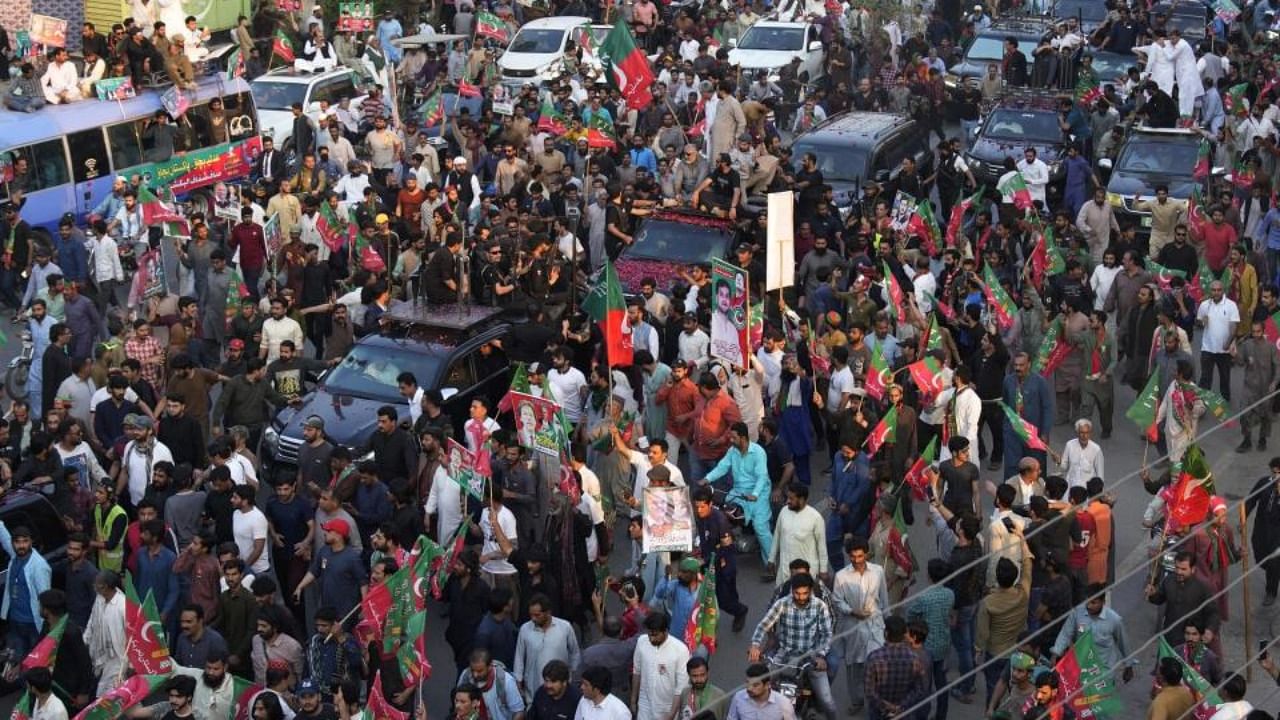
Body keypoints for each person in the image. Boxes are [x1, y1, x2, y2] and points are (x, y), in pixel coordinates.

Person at [748, 574, 835, 720]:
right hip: (784, 654)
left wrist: (820, 655)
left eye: (805, 593)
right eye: (797, 593)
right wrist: (755, 645)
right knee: (758, 688)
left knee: (827, 702)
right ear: (792, 591)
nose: (801, 597)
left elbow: (827, 634)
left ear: (810, 591)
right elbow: (764, 625)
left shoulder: (820, 606)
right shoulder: (782, 603)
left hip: (811, 657)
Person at [831, 535, 887, 716]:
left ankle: (876, 701)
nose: (856, 560)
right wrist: (852, 611)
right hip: (853, 628)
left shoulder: (878, 571)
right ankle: (856, 700)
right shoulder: (841, 576)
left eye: (860, 556)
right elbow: (837, 601)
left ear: (867, 555)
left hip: (875, 627)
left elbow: (884, 599)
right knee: (854, 668)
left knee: (876, 665)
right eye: (853, 557)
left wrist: (888, 623)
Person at [514, 594, 582, 698]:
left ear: (548, 612)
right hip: (534, 688)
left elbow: (575, 653)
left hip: (561, 689)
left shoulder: (565, 627)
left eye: (537, 615)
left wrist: (573, 677)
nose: (533, 619)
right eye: (531, 615)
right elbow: (519, 657)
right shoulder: (525, 629)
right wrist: (518, 680)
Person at [863, 615, 928, 720]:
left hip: (879, 713)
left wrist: (886, 706)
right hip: (904, 713)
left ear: (886, 633)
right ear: (904, 634)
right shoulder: (915, 659)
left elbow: (869, 691)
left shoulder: (873, 658)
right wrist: (901, 706)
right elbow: (919, 689)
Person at [631, 611, 690, 720]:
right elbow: (637, 671)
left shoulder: (681, 650)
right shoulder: (641, 642)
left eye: (655, 635)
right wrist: (633, 700)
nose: (651, 639)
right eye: (649, 634)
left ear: (666, 631)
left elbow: (681, 687)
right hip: (645, 703)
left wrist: (672, 714)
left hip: (667, 707)